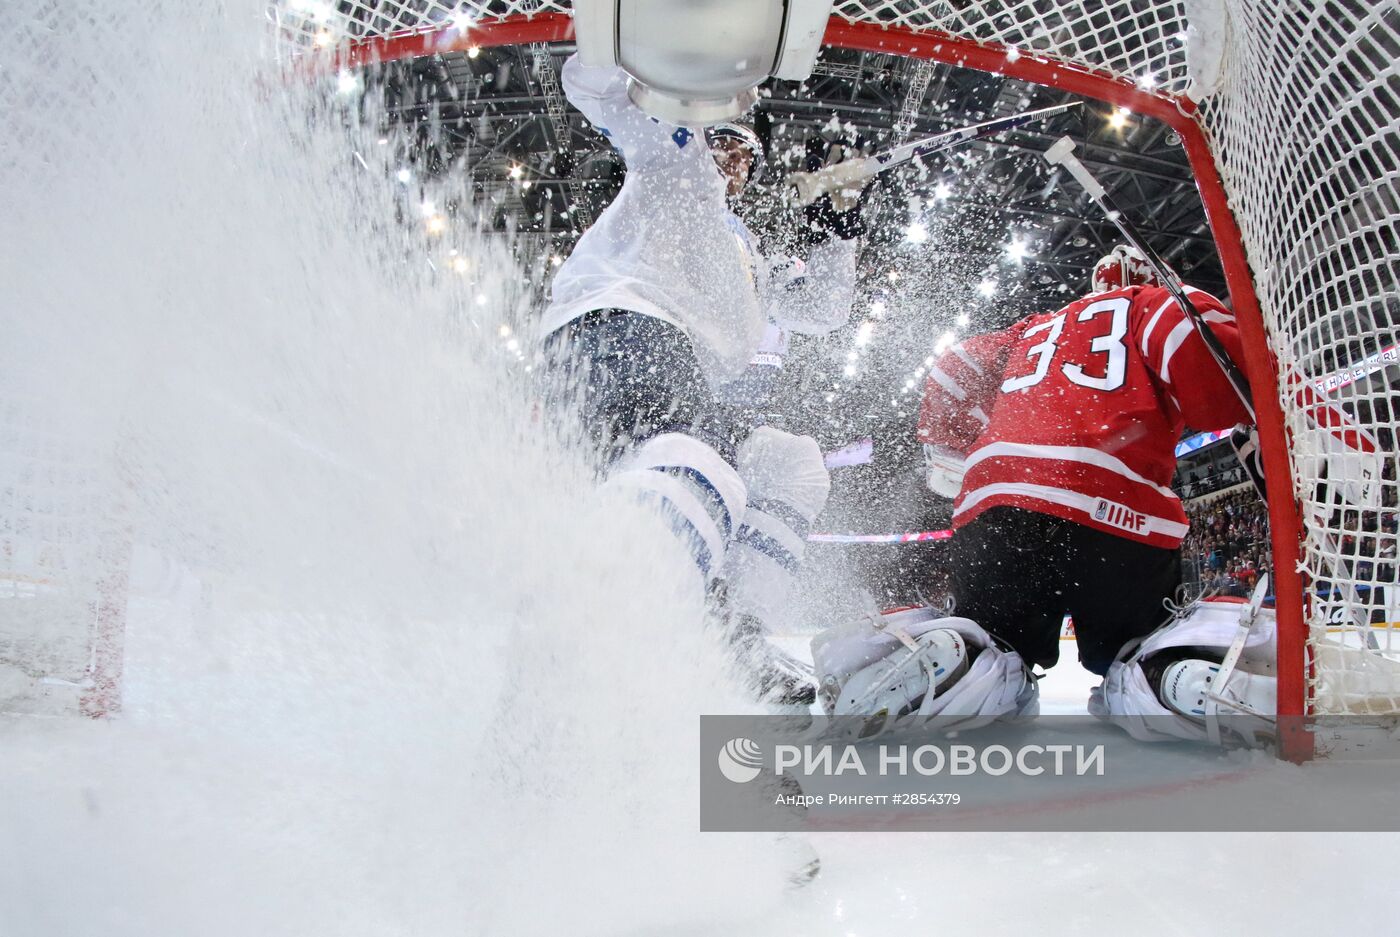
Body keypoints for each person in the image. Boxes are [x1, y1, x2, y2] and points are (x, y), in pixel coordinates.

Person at [814, 246, 1268, 742]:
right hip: (1115, 506)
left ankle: (956, 661)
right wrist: (1262, 403)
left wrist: (963, 445)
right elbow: (1212, 363)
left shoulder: (1031, 328)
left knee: (999, 645)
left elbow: (951, 367)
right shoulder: (1152, 303)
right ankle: (1172, 676)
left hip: (997, 503)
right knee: (1133, 648)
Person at [539, 55, 863, 701]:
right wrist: (665, 57)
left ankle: (732, 634)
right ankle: (592, 632)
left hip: (678, 366)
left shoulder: (746, 255)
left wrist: (837, 231)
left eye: (745, 152)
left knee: (789, 464)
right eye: (726, 141)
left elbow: (823, 311)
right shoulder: (674, 167)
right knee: (690, 456)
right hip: (624, 327)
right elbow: (595, 86)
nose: (733, 159)